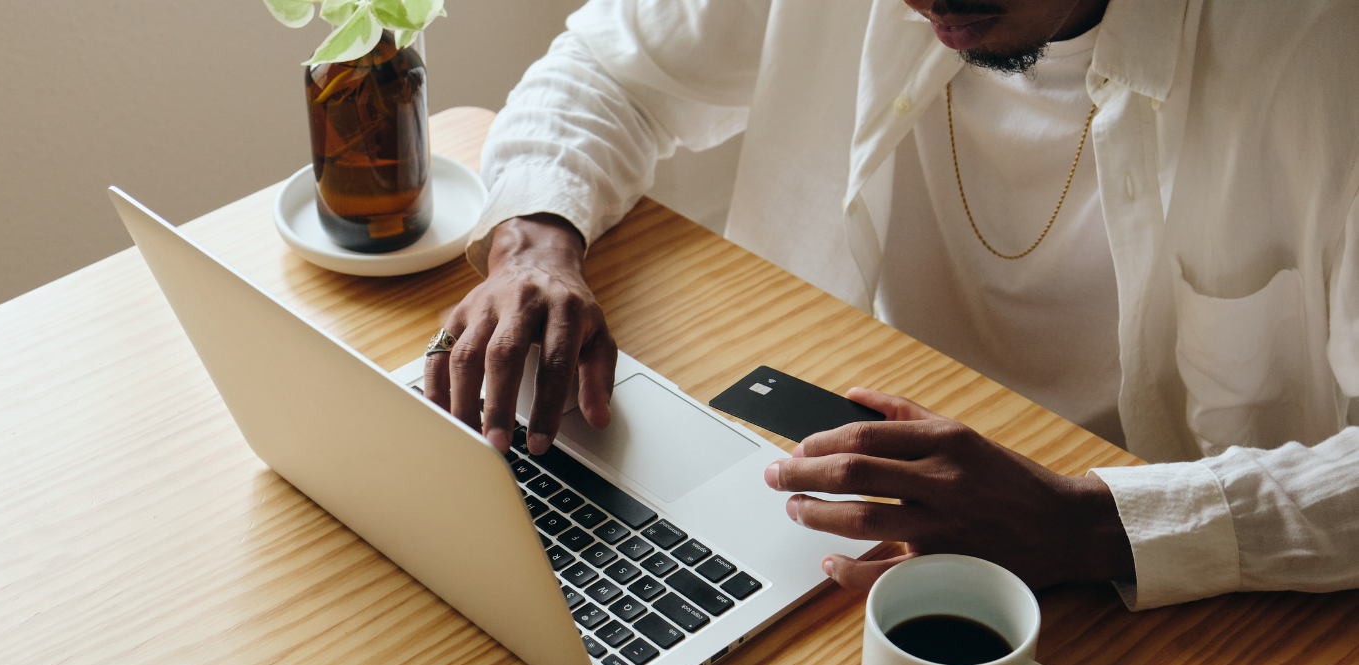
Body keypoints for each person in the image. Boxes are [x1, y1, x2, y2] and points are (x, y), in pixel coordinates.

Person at [423, 0, 1359, 615]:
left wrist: (1085, 521)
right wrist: (534, 243)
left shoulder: (1322, 49)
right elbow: (607, 68)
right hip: (828, 482)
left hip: (1138, 573)